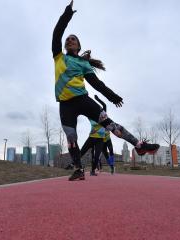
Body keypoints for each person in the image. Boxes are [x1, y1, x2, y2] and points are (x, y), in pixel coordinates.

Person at [53, 0, 159, 181]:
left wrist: (112, 96)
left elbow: (97, 84)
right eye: (68, 39)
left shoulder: (83, 63)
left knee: (110, 124)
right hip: (65, 105)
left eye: (74, 39)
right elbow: (57, 32)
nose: (70, 40)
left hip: (83, 100)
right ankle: (78, 169)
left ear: (78, 47)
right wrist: (67, 14)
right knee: (71, 138)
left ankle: (140, 145)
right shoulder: (58, 57)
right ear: (64, 46)